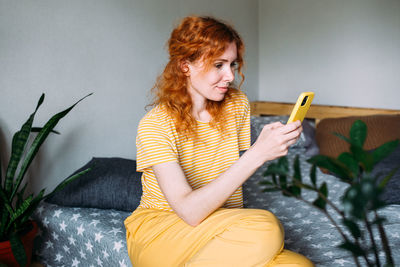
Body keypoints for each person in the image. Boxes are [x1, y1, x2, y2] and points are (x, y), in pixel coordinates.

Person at [124, 15, 314, 267]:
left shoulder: (237, 104)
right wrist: (257, 154)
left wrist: (274, 144)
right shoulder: (155, 124)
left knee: (300, 265)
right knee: (266, 227)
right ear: (185, 66)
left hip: (220, 223)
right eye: (218, 65)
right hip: (162, 231)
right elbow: (190, 212)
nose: (229, 76)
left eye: (232, 65)